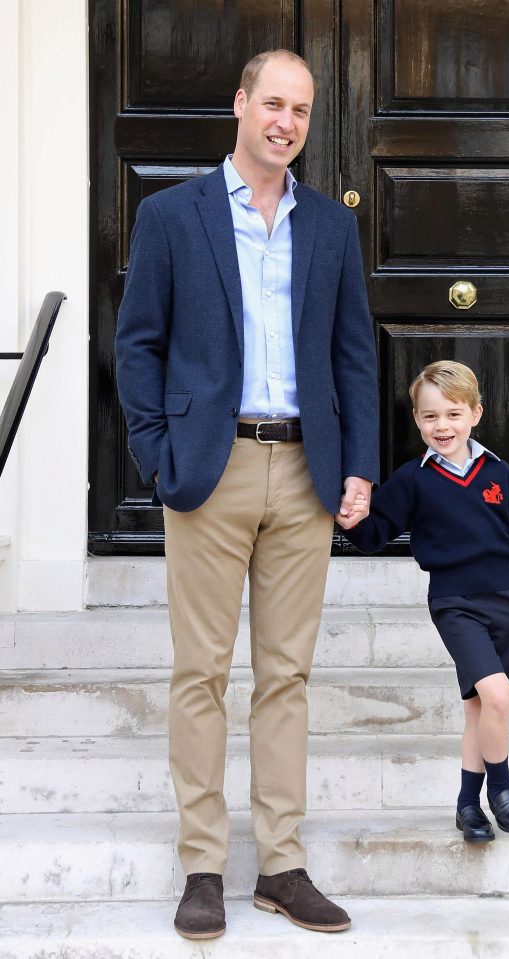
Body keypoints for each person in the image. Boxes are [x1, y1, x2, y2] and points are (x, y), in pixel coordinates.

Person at [115, 49, 378, 940]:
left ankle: (280, 863)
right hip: (209, 467)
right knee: (200, 672)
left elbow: (353, 353)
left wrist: (359, 464)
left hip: (305, 471)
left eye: (301, 110)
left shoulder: (331, 227)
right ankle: (200, 864)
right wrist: (157, 454)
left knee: (286, 675)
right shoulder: (170, 215)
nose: (286, 122)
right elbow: (138, 343)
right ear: (239, 104)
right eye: (273, 103)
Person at [339, 360, 509, 845]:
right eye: (430, 417)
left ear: (475, 414)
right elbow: (375, 534)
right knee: (498, 697)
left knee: (480, 709)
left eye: (452, 414)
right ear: (416, 420)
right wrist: (351, 520)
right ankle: (503, 789)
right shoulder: (413, 480)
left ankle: (467, 805)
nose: (442, 426)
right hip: (455, 603)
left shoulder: (498, 473)